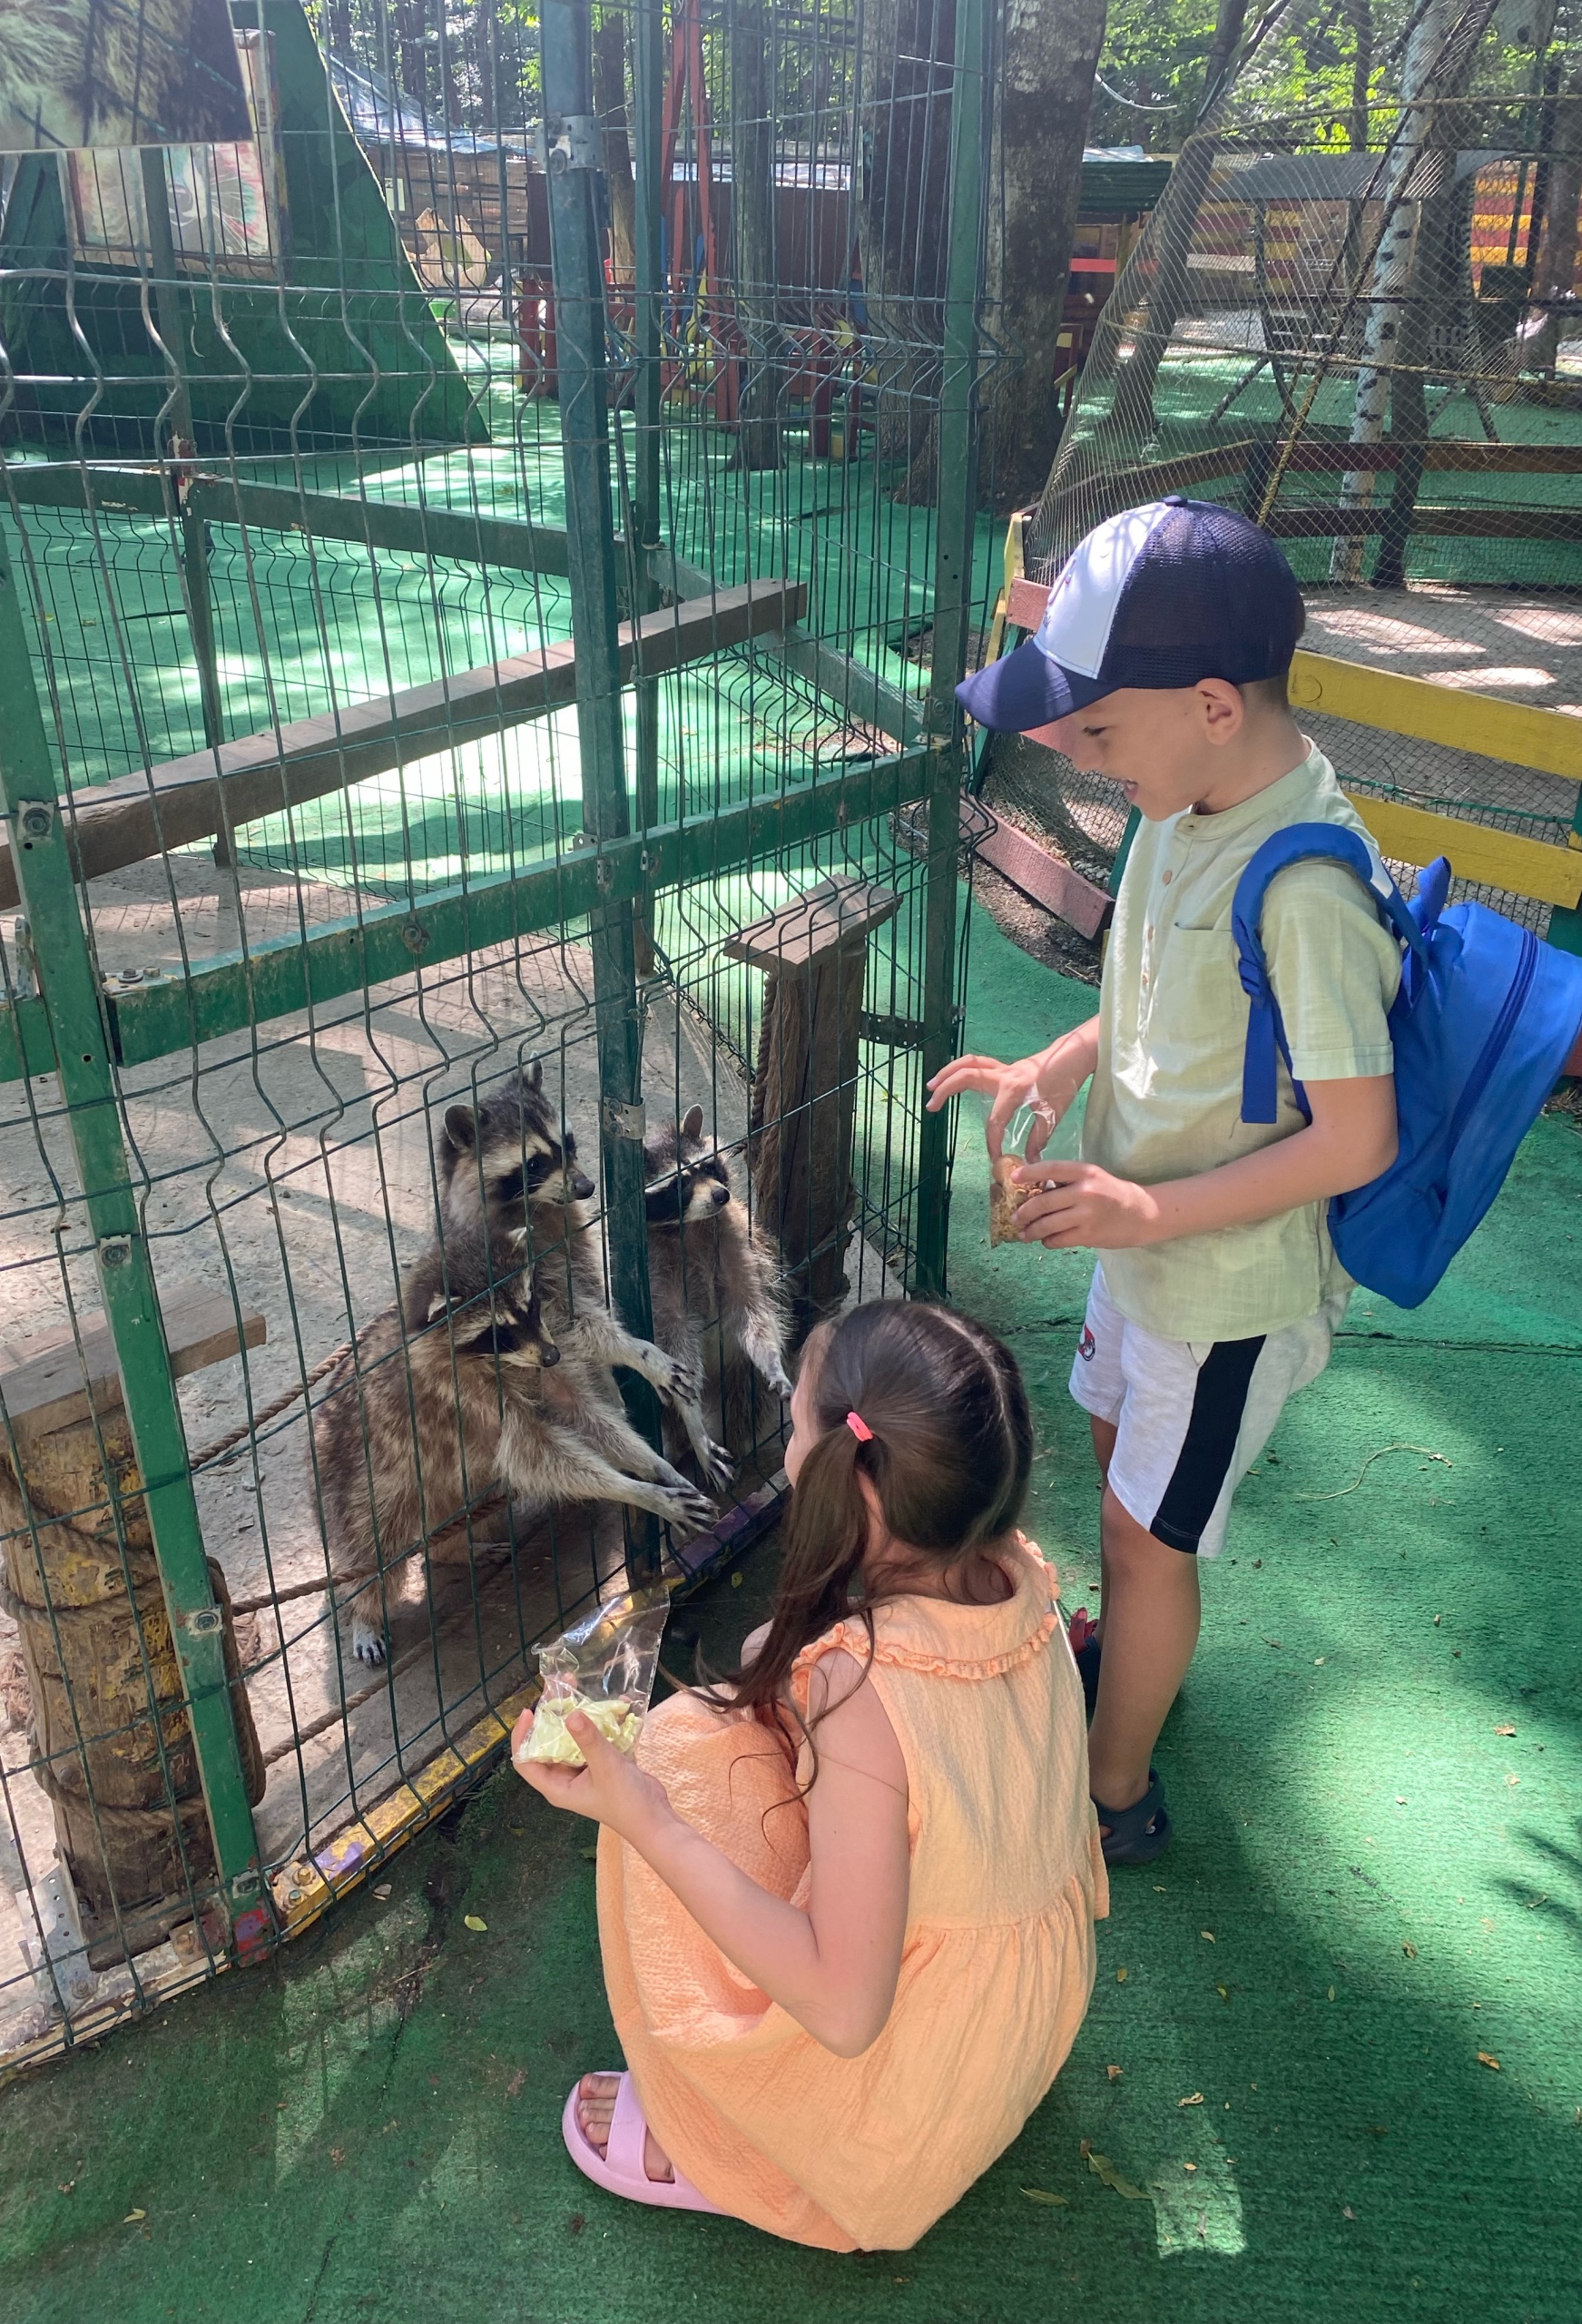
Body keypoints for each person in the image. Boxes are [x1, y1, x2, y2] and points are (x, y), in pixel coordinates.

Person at [928, 497, 1400, 1868]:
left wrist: (1149, 1213)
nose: (1077, 758)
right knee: (1119, 1485)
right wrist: (1063, 1060)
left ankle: (1112, 1791)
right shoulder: (1180, 806)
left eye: (1096, 733)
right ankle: (1126, 1647)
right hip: (1144, 1252)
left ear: (1208, 704)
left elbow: (1357, 1137)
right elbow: (1152, 999)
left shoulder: (1306, 882)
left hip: (1222, 1284)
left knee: (1151, 1541)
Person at [512, 1299, 1106, 2250]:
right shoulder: (1013, 1572)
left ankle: (721, 2138)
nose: (788, 1443)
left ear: (858, 1483)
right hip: (1018, 2029)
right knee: (732, 1718)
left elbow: (845, 2008)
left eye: (797, 1423)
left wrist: (644, 1816)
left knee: (673, 1751)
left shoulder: (858, 1686)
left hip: (902, 2113)